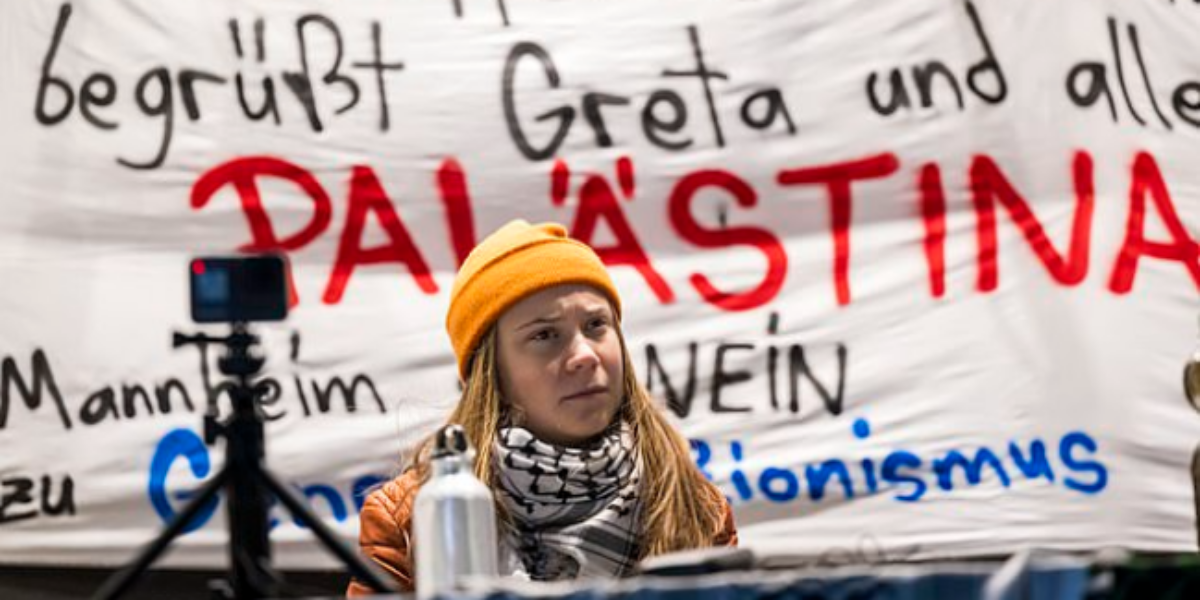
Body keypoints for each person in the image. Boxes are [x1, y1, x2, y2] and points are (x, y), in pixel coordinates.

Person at [347, 220, 736, 596]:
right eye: (545, 335)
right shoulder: (411, 517)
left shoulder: (694, 505)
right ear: (491, 372)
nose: (584, 355)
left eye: (597, 324)